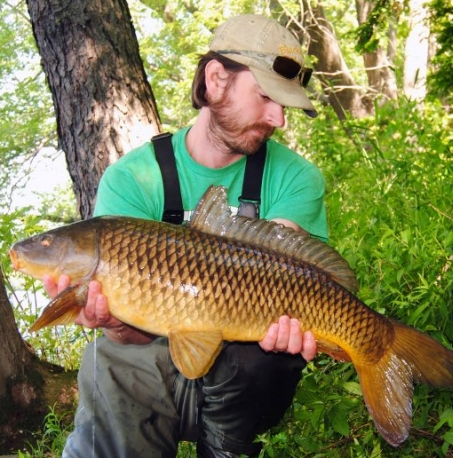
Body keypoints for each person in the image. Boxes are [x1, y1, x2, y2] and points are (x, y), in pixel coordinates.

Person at [44, 14, 329, 458]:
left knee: (263, 350)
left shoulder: (296, 178)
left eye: (284, 105)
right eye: (266, 97)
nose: (280, 118)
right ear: (216, 80)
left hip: (243, 372)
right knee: (107, 362)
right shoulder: (132, 179)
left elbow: (285, 274)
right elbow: (132, 340)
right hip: (153, 366)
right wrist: (115, 321)